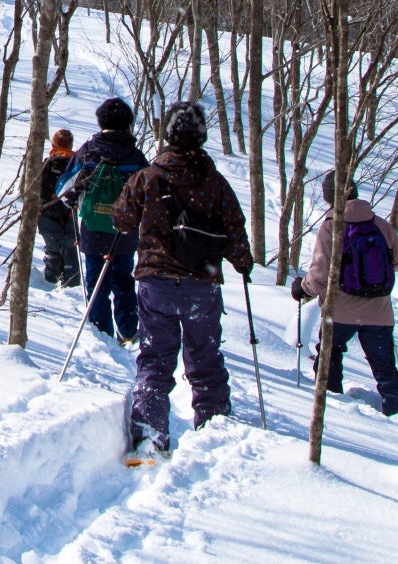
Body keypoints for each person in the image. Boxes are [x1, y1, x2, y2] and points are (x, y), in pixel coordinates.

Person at [112, 101, 254, 459]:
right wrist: (242, 261)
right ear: (201, 136)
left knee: (156, 360)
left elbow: (123, 219)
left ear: (168, 136)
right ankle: (213, 428)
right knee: (205, 358)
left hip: (156, 280)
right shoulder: (215, 182)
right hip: (200, 284)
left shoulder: (148, 177)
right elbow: (235, 229)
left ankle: (150, 435)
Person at [292, 171, 398, 416]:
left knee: (329, 356)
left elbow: (320, 273)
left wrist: (302, 289)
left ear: (329, 198)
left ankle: (333, 408)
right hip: (379, 311)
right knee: (384, 366)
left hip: (340, 310)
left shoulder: (331, 226)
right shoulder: (379, 224)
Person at [57, 97, 149, 344]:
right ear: (127, 124)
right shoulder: (135, 156)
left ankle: (101, 333)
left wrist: (76, 202)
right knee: (124, 279)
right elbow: (149, 194)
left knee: (96, 281)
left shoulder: (88, 151)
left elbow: (64, 191)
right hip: (125, 232)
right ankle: (128, 331)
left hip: (93, 229)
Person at [36, 130, 81, 288]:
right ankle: (72, 284)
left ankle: (50, 281)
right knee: (70, 249)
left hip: (47, 212)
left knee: (53, 249)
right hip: (69, 212)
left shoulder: (48, 162)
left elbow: (39, 188)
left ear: (53, 144)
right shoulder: (76, 164)